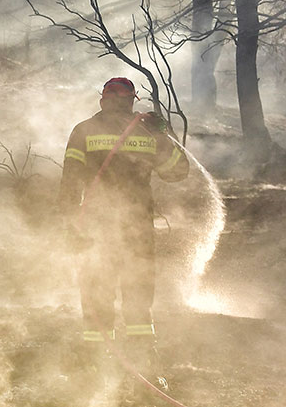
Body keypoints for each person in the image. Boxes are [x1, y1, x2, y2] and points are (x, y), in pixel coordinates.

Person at [58, 77, 189, 366]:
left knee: (105, 286)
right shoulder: (119, 132)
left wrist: (164, 135)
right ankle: (131, 354)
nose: (121, 107)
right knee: (128, 288)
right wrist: (161, 135)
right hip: (124, 226)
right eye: (120, 101)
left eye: (124, 102)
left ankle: (102, 355)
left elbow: (178, 170)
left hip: (109, 225)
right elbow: (178, 171)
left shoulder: (86, 131)